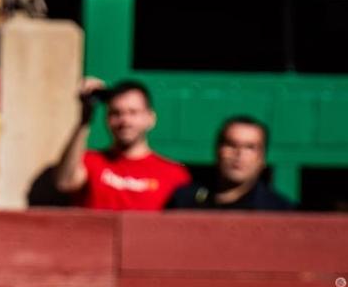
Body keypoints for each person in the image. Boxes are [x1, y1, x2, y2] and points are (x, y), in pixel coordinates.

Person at [51, 78, 190, 211]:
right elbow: (65, 182)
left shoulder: (174, 174)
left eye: (133, 112)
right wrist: (85, 120)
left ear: (151, 118)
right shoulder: (90, 161)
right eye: (116, 113)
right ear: (107, 119)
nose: (124, 121)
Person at [166, 115, 296, 212]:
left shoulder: (278, 211)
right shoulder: (185, 200)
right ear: (217, 150)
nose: (239, 154)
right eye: (231, 145)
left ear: (262, 158)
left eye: (250, 147)